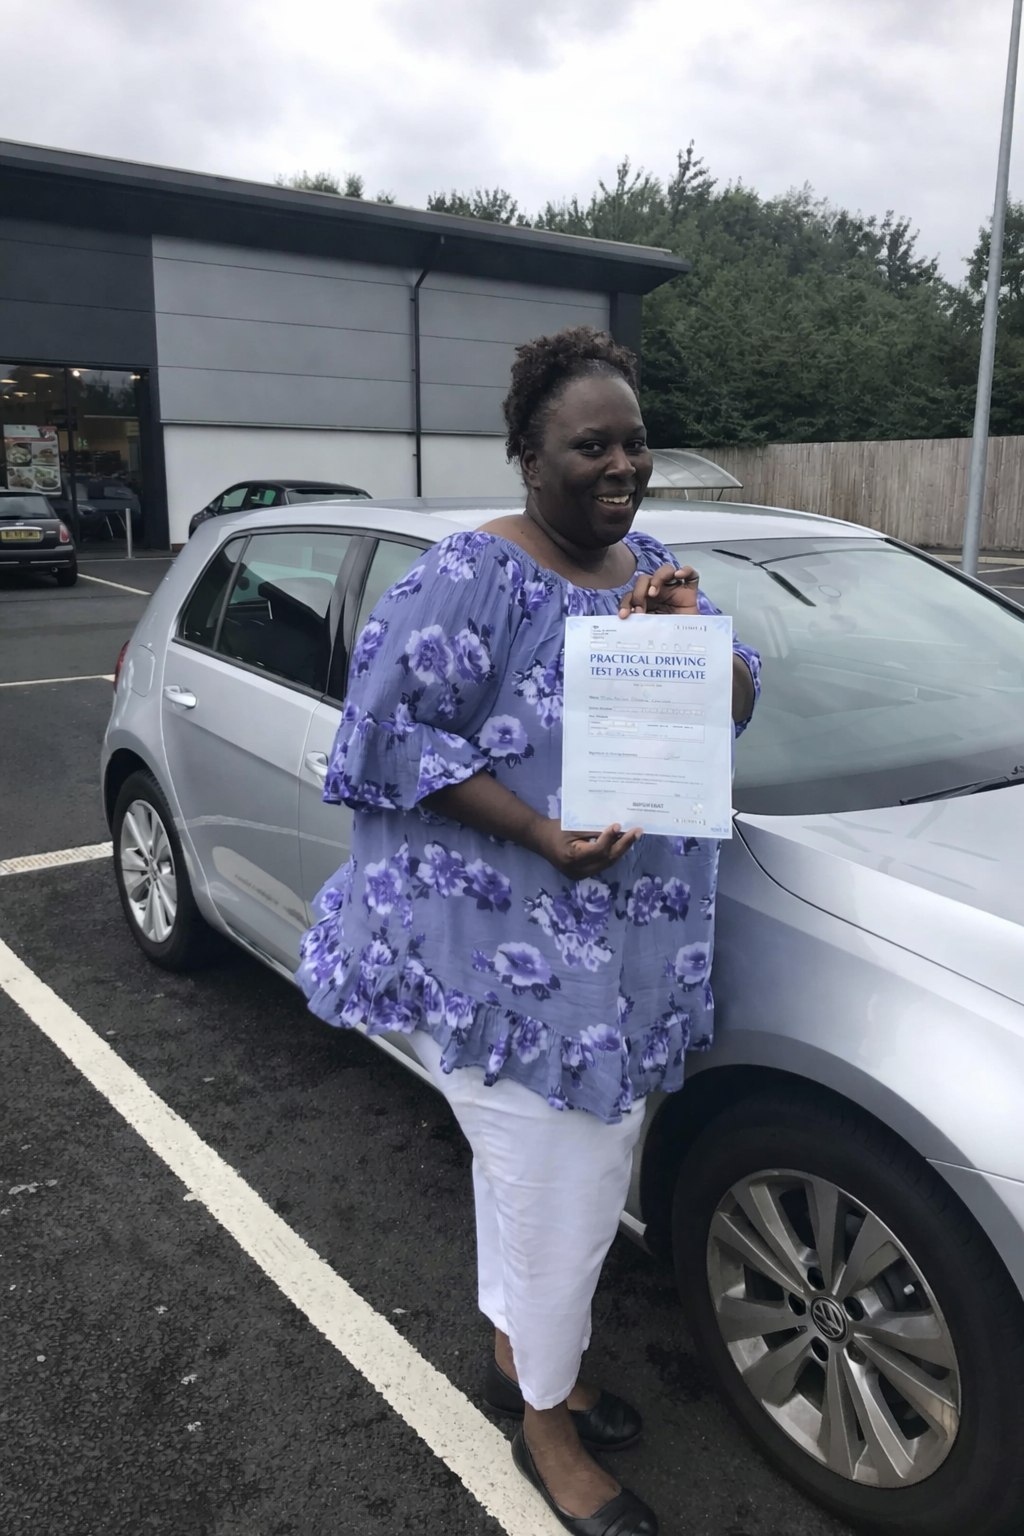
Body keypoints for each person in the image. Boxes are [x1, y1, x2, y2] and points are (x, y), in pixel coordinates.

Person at [297, 327, 761, 1536]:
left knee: (536, 1190)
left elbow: (739, 697)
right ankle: (546, 1430)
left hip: (627, 965)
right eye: (589, 445)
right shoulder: (470, 576)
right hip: (509, 963)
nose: (622, 466)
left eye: (634, 442)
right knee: (562, 1206)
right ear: (525, 455)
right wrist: (544, 834)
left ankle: (521, 1360)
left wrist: (686, 632)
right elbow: (386, 739)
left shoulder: (648, 562)